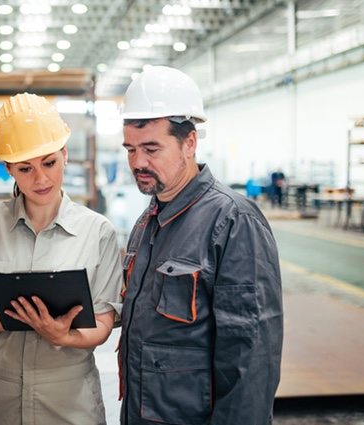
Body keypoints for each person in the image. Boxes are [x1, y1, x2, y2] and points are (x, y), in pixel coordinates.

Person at [0, 93, 122, 425]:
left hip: (69, 399)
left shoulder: (99, 232)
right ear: (8, 169)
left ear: (65, 154)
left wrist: (63, 336)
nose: (40, 179)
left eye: (49, 162)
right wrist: (19, 317)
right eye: (25, 168)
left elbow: (104, 321)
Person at [118, 66, 283, 424]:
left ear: (189, 143)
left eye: (151, 148)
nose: (137, 162)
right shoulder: (147, 222)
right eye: (130, 149)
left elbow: (251, 361)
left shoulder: (233, 221)